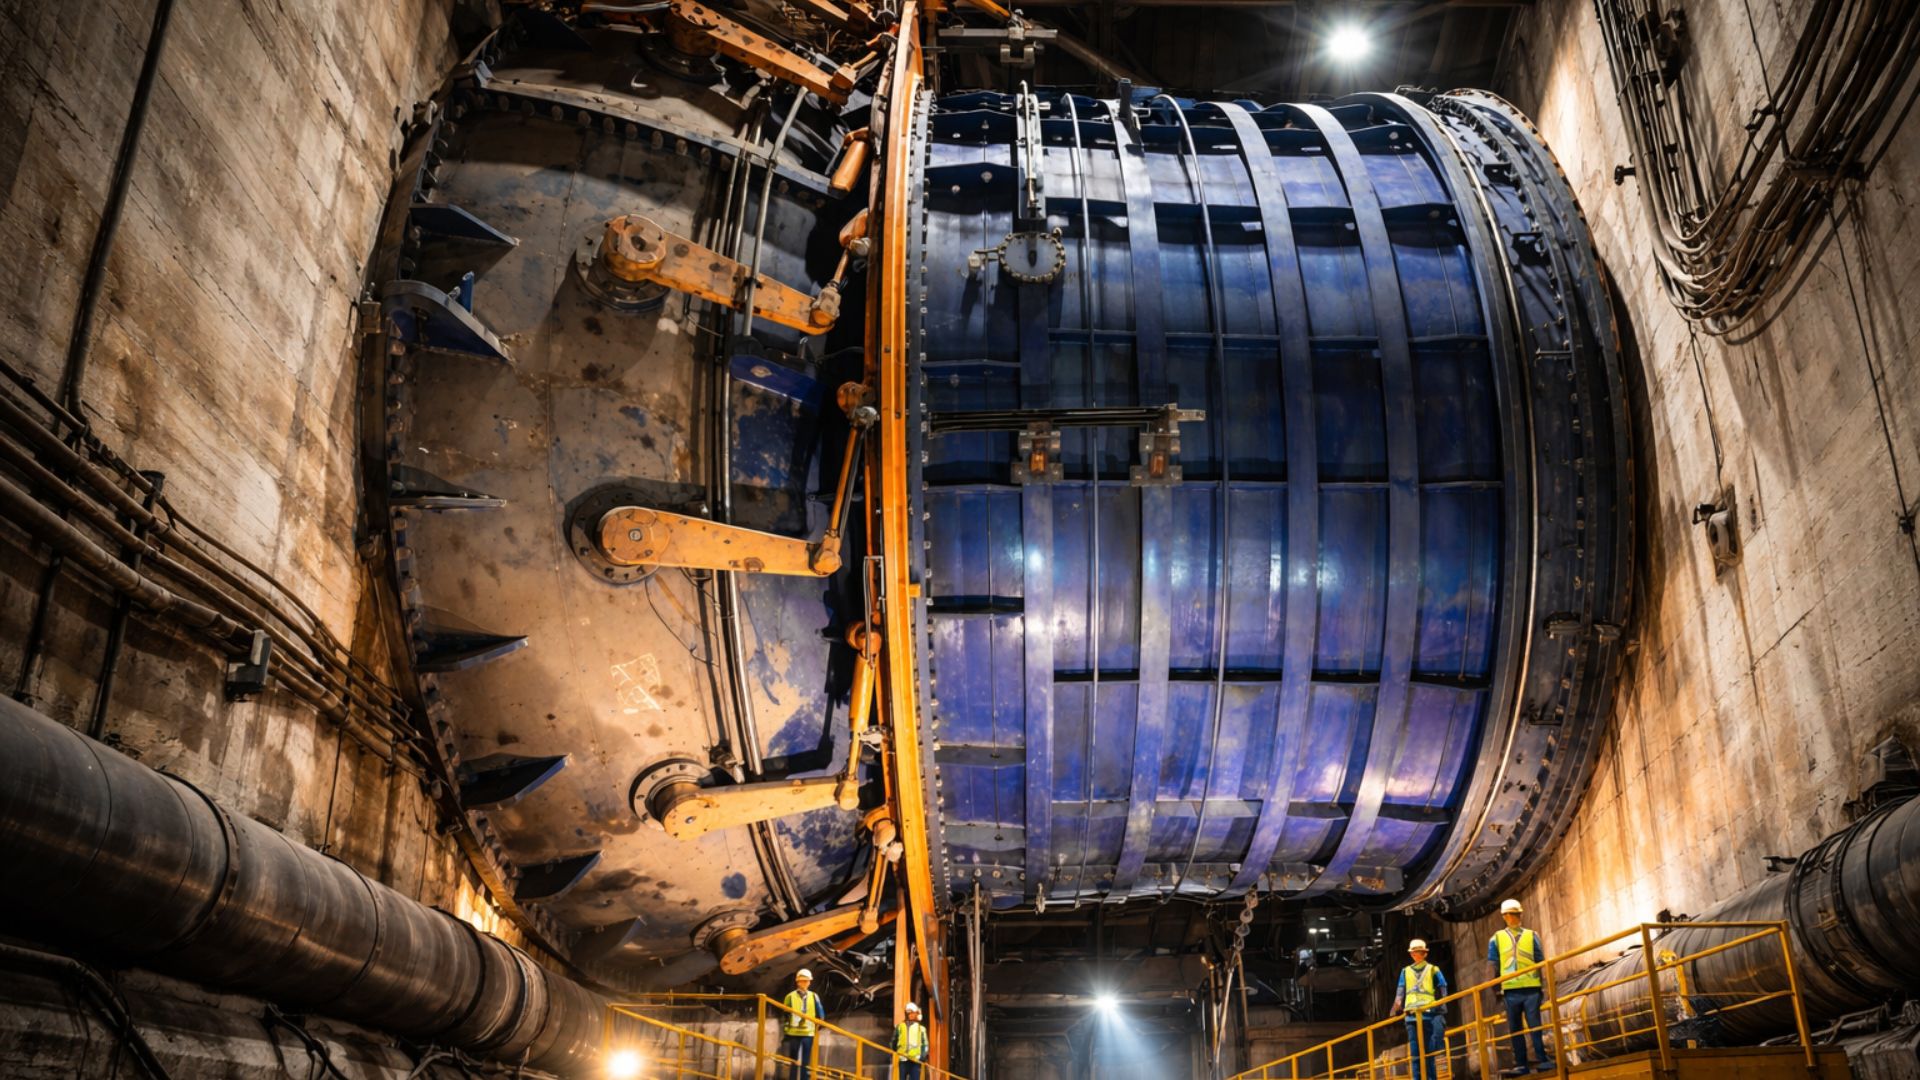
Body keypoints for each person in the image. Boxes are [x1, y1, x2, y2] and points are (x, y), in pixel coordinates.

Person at [1488, 899, 1553, 1075]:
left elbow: (1540, 961)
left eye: (1515, 914)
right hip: (1511, 990)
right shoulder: (1497, 939)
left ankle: (1541, 1060)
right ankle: (1523, 1063)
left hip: (1530, 988)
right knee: (1517, 1029)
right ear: (1505, 916)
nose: (1513, 917)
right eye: (1511, 914)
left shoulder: (1532, 935)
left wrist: (1544, 986)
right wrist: (1496, 989)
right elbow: (1493, 965)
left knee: (1534, 1026)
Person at [1391, 939, 1449, 1080]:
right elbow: (1400, 992)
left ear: (1424, 954)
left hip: (1427, 1014)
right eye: (1414, 952)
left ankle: (1430, 1078)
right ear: (1412, 954)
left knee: (1427, 1053)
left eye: (1418, 952)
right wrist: (1395, 1007)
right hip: (1412, 1015)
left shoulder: (1433, 969)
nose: (1416, 955)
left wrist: (1442, 1003)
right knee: (1417, 1054)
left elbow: (1443, 986)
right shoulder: (1405, 972)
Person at [780, 968, 823, 1080]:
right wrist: (787, 1027)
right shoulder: (790, 996)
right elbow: (785, 1013)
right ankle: (793, 1078)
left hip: (808, 1032)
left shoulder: (814, 996)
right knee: (794, 1060)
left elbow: (820, 1013)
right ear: (797, 982)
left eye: (806, 981)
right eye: (802, 981)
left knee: (806, 1060)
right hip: (794, 1032)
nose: (804, 983)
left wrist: (818, 1026)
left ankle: (804, 1078)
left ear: (809, 982)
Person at [894, 1001, 929, 1079]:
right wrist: (895, 1052)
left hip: (915, 1060)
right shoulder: (900, 1027)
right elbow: (894, 1041)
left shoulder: (921, 1029)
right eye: (909, 1013)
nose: (910, 1015)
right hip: (903, 1059)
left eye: (912, 1013)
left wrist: (922, 1057)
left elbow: (925, 1045)